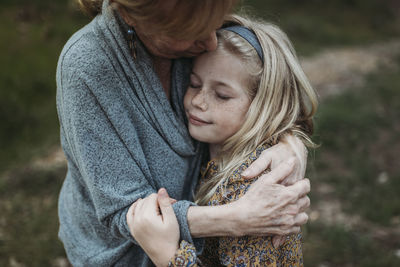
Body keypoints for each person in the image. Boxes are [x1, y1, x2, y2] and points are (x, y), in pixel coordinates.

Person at [56, 0, 310, 266]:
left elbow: (270, 86)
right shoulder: (87, 66)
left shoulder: (250, 184)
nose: (212, 42)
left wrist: (289, 143)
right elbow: (129, 213)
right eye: (192, 32)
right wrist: (238, 218)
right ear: (135, 18)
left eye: (214, 23)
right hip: (123, 254)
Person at [127, 15, 318, 267]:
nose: (198, 101)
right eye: (194, 84)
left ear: (264, 107)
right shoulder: (214, 154)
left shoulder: (249, 189)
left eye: (222, 95)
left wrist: (169, 256)